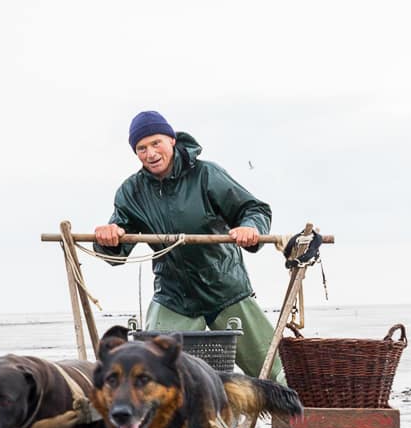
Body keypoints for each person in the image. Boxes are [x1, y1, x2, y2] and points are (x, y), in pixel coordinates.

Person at [93, 110, 283, 381]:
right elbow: (117, 246)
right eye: (141, 148)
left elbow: (254, 209)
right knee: (153, 375)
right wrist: (109, 237)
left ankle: (304, 420)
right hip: (173, 295)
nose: (150, 153)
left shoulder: (207, 174)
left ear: (171, 140)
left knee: (275, 372)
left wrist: (250, 228)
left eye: (155, 143)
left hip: (225, 288)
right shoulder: (131, 191)